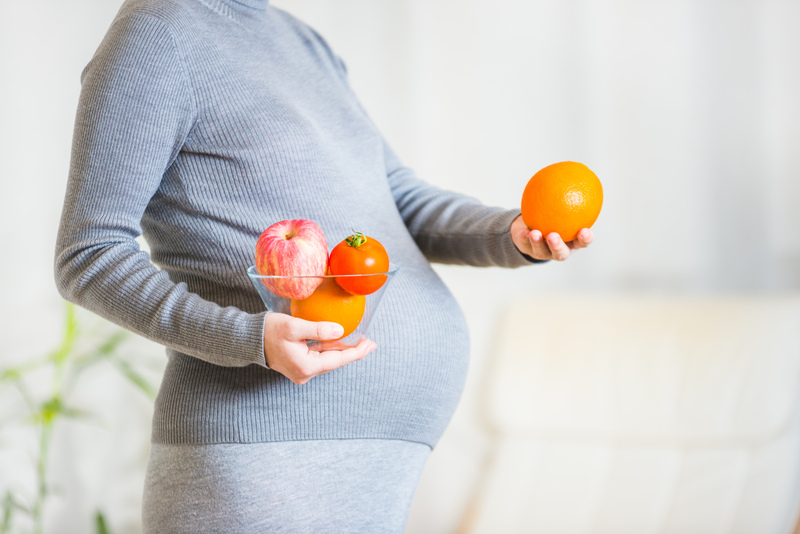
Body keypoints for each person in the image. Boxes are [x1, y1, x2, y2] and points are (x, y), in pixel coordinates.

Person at [54, 0, 593, 531]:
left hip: (381, 460)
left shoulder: (303, 41)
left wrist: (513, 234)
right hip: (263, 454)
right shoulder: (157, 34)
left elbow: (397, 198)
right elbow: (88, 255)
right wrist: (251, 337)